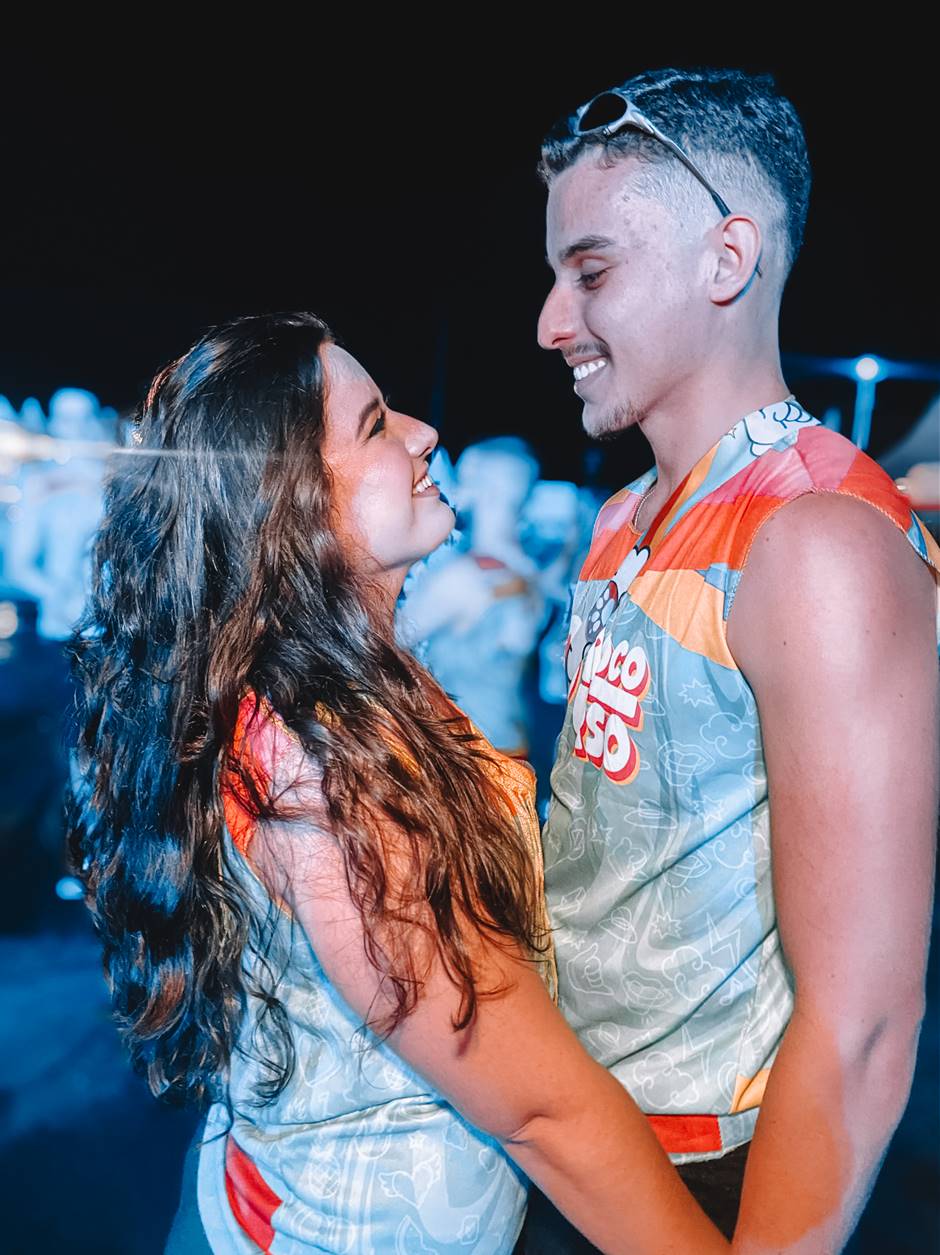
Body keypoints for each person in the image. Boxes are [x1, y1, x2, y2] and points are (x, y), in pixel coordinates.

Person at [67, 313, 732, 1254]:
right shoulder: (323, 782)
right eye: (376, 424)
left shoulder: (333, 677)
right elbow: (540, 1112)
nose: (423, 433)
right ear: (292, 501)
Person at [530, 69, 940, 1252]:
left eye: (590, 273)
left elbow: (861, 1029)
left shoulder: (812, 540)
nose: (550, 322)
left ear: (726, 259)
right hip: (573, 1141)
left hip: (705, 1178)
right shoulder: (623, 517)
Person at [401, 436, 545, 757]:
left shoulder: (463, 578)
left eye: (464, 478)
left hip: (466, 753)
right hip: (512, 745)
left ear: (486, 491)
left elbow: (383, 643)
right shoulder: (527, 572)